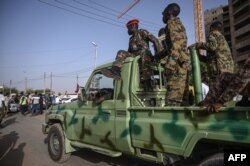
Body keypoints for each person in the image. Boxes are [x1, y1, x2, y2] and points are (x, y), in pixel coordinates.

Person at [102, 18, 161, 91]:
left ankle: (147, 82)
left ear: (133, 26)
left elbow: (155, 40)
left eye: (128, 28)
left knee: (144, 52)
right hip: (135, 57)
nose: (127, 30)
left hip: (146, 57)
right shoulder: (131, 39)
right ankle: (116, 70)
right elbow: (129, 52)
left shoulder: (142, 32)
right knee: (121, 52)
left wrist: (158, 56)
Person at [160, 3, 190, 106]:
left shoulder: (171, 23)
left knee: (172, 103)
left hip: (177, 66)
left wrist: (170, 66)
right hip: (183, 65)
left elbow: (176, 46)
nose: (162, 15)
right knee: (182, 101)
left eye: (163, 12)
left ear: (168, 12)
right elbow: (177, 45)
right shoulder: (179, 24)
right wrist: (158, 56)